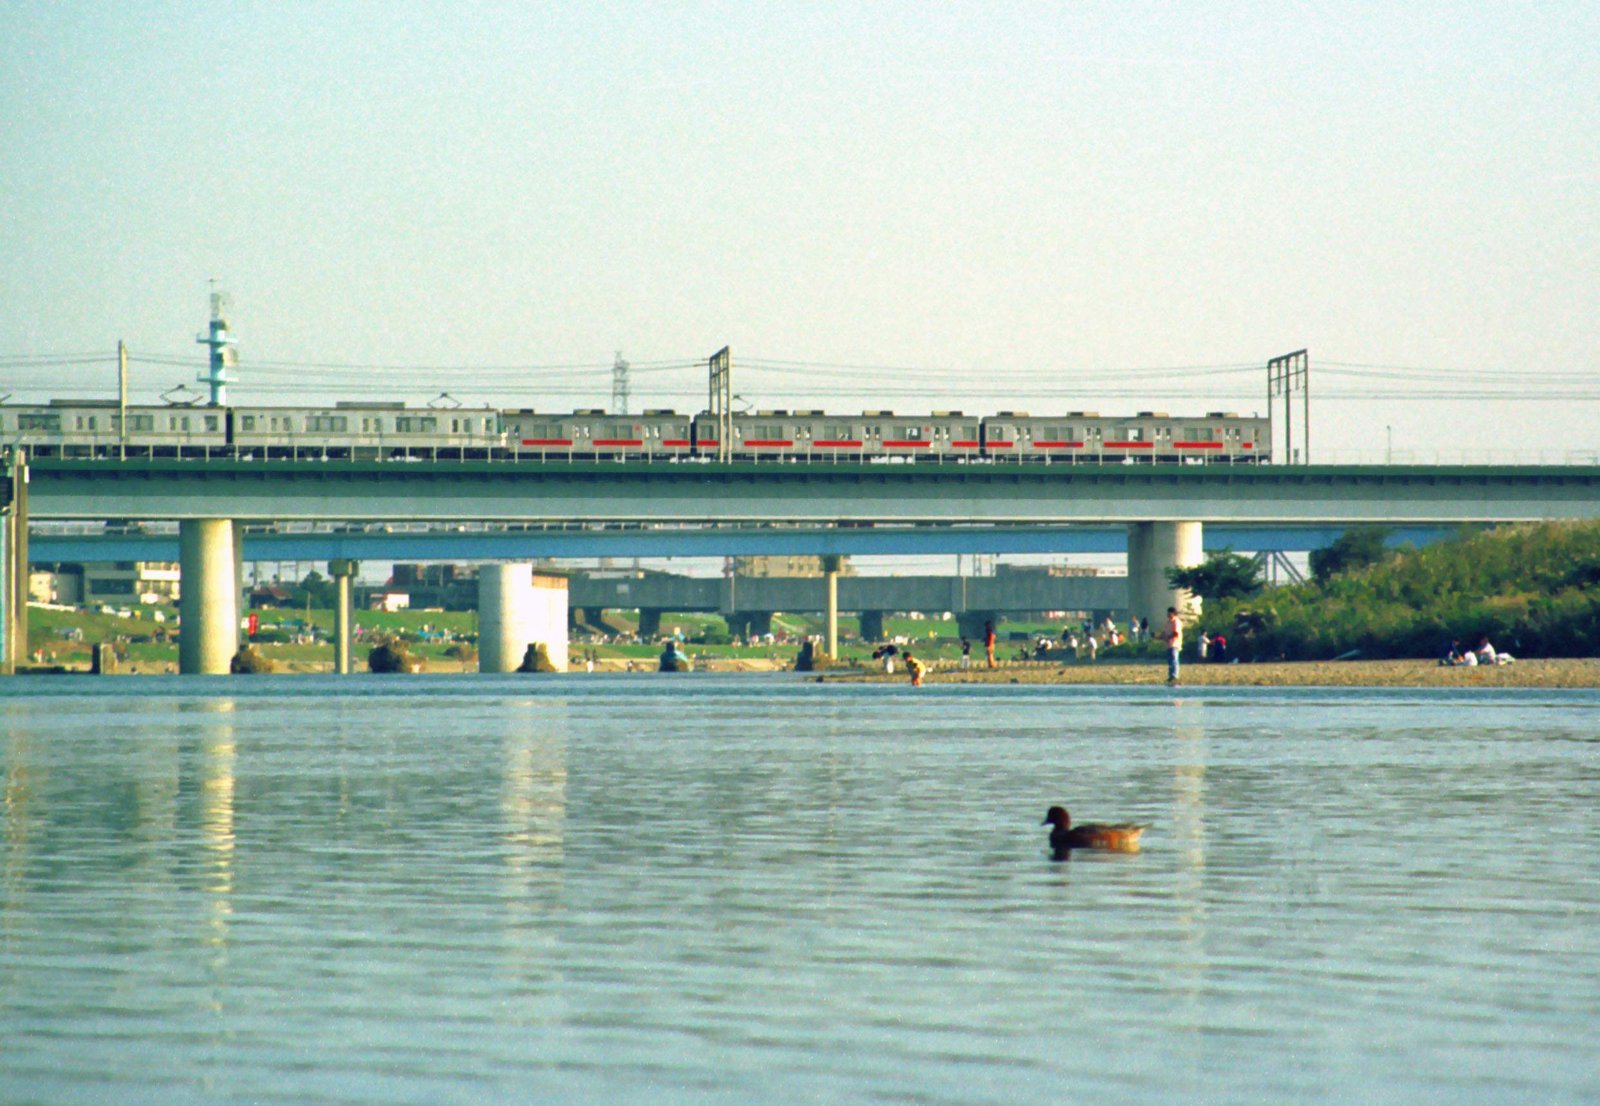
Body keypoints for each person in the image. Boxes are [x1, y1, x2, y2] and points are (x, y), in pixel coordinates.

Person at [1161, 606, 1183, 686]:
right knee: (1170, 661)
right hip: (1168, 644)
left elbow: (1175, 633)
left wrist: (1167, 637)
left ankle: (1175, 676)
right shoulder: (1167, 623)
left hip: (1175, 643)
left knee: (1174, 659)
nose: (1168, 614)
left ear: (1173, 613)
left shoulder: (1176, 621)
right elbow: (1164, 633)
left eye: (1169, 612)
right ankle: (1170, 676)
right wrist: (1158, 637)